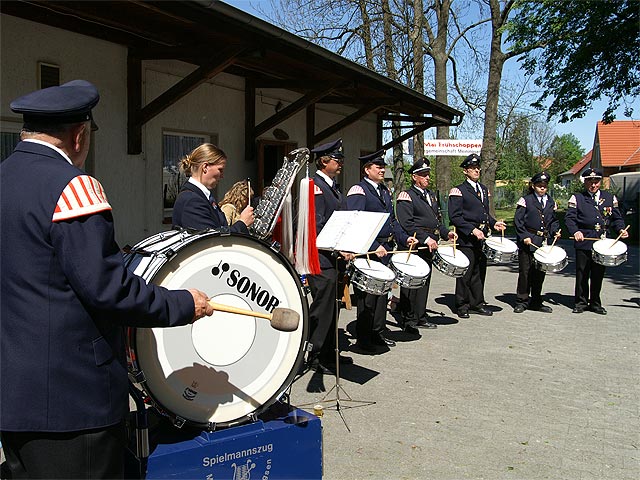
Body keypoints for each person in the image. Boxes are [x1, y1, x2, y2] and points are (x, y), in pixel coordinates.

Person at [0, 80, 214, 479]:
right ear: (80, 135)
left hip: (14, 393)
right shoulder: (72, 187)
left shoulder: (5, 177)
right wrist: (183, 302)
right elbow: (108, 289)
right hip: (73, 401)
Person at [346, 150, 417, 353]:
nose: (382, 169)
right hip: (369, 252)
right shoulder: (359, 190)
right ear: (367, 169)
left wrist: (404, 238)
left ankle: (378, 333)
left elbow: (391, 221)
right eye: (378, 167)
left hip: (384, 249)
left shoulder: (384, 190)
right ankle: (364, 338)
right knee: (367, 297)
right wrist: (372, 246)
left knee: (381, 294)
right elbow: (355, 223)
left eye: (383, 166)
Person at [305, 139, 354, 373]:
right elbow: (317, 226)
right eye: (337, 159)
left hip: (335, 258)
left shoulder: (333, 186)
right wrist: (337, 248)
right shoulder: (315, 186)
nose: (341, 163)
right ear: (324, 161)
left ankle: (329, 352)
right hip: (322, 260)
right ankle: (315, 356)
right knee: (322, 309)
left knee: (332, 309)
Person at [396, 158, 456, 333]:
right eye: (423, 175)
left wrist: (446, 233)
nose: (427, 178)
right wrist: (425, 239)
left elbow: (436, 220)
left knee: (424, 281)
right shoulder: (406, 196)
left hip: (430, 243)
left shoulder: (430, 195)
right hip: (415, 243)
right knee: (411, 282)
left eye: (428, 174)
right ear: (415, 177)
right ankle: (408, 319)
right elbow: (407, 223)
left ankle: (420, 315)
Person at [448, 153, 506, 319]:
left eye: (477, 168)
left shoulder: (483, 189)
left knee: (479, 273)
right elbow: (455, 217)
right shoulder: (458, 190)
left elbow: (485, 214)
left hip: (482, 238)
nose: (476, 170)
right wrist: (472, 230)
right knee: (465, 273)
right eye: (472, 168)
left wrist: (494, 223)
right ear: (465, 171)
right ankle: (462, 304)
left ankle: (477, 303)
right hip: (467, 238)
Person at [565, 168, 628, 315]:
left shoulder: (609, 198)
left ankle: (595, 303)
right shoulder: (577, 198)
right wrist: (575, 231)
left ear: (600, 182)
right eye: (590, 181)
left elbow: (617, 218)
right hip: (584, 240)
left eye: (596, 182)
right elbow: (569, 219)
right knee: (582, 273)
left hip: (602, 242)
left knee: (598, 274)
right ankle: (580, 302)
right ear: (585, 182)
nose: (593, 185)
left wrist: (621, 229)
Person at [172, 143, 254, 233]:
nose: (222, 176)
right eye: (220, 170)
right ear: (205, 167)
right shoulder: (191, 200)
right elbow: (210, 241)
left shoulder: (203, 197)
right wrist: (242, 224)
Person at [513, 171, 561, 313]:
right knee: (525, 272)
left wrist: (555, 231)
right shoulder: (525, 200)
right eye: (539, 185)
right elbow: (518, 221)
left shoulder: (551, 202)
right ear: (533, 186)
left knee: (539, 272)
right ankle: (521, 301)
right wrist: (524, 236)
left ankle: (536, 301)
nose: (542, 188)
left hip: (542, 242)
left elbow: (553, 220)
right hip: (528, 240)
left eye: (545, 186)